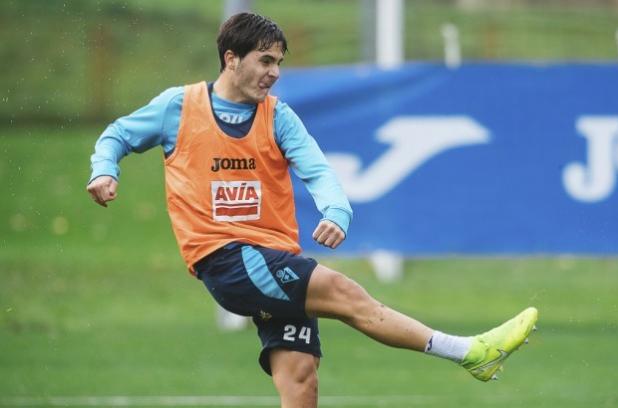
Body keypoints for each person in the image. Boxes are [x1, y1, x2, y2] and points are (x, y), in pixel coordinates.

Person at [87, 12, 538, 408]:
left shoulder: (278, 116)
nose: (275, 72)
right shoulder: (179, 106)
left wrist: (336, 213)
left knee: (302, 380)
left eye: (279, 62)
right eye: (265, 60)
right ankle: (470, 352)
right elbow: (117, 134)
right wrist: (105, 171)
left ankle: (471, 353)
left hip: (276, 256)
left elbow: (319, 171)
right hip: (225, 258)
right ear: (230, 59)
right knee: (346, 294)